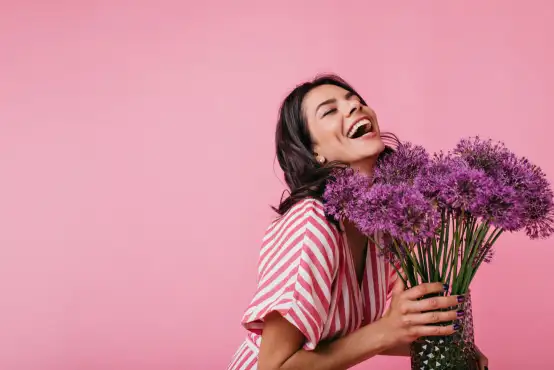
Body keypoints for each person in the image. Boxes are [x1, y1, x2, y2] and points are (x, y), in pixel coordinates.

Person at [227, 75, 488, 370]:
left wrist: (453, 346)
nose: (354, 108)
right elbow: (271, 367)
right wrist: (389, 330)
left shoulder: (382, 221)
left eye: (357, 101)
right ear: (314, 152)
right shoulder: (311, 223)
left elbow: (364, 332)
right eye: (329, 110)